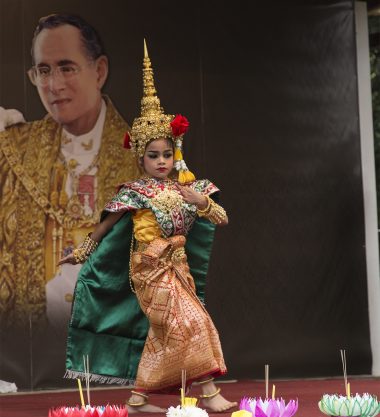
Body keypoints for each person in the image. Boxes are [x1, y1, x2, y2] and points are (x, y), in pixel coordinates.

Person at [59, 42, 238, 412]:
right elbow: (104, 228)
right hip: (149, 271)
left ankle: (139, 400)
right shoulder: (135, 192)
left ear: (176, 153)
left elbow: (222, 217)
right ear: (140, 156)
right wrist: (80, 253)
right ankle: (209, 394)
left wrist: (201, 202)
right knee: (188, 322)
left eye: (166, 154)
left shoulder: (188, 187)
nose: (160, 161)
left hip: (178, 269)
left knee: (169, 332)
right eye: (153, 155)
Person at [0, 13, 139, 327]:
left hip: (116, 350)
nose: (54, 85)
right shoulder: (13, 151)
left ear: (99, 71)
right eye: (43, 71)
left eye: (66, 67)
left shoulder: (146, 161)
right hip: (33, 351)